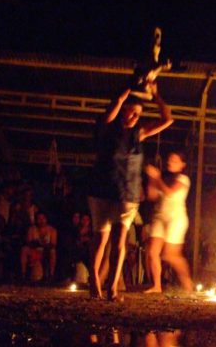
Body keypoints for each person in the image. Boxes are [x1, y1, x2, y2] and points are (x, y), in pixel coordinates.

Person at [88, 81, 173, 301]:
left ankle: (113, 288)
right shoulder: (107, 128)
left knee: (119, 241)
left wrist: (156, 94)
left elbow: (167, 119)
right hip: (102, 189)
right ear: (123, 110)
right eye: (132, 111)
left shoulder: (139, 134)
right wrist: (127, 91)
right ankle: (94, 282)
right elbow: (113, 106)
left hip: (127, 192)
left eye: (138, 114)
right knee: (100, 240)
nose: (135, 117)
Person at [142, 151, 192, 293]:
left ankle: (187, 282)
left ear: (182, 165)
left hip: (176, 218)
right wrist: (152, 179)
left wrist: (157, 177)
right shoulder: (162, 178)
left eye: (175, 161)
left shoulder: (183, 179)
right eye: (170, 160)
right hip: (159, 216)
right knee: (152, 252)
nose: (171, 163)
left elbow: (170, 192)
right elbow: (151, 196)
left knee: (170, 254)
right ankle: (157, 286)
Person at [20, 212, 58, 282]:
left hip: (45, 252)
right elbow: (28, 242)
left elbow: (53, 244)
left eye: (43, 218)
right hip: (34, 252)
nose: (41, 221)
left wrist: (44, 245)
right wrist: (37, 243)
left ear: (46, 219)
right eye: (39, 219)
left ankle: (51, 275)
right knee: (24, 249)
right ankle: (23, 274)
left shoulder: (52, 230)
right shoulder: (31, 229)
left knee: (53, 251)